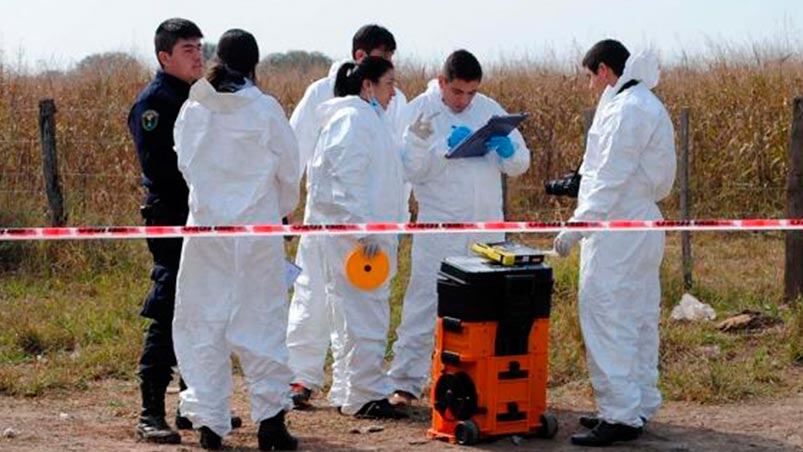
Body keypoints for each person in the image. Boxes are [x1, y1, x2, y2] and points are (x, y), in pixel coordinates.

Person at [172, 29, 300, 450]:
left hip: (206, 231)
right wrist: (278, 209)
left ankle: (210, 423)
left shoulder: (195, 108)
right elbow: (289, 173)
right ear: (254, 66)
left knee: (204, 323)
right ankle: (271, 425)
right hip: (256, 233)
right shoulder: (265, 110)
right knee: (261, 322)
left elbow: (186, 166)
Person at [386, 49, 531, 407]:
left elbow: (519, 165)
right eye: (457, 92)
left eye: (471, 93)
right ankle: (406, 380)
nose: (465, 100)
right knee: (424, 301)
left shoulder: (490, 108)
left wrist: (507, 149)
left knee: (487, 307)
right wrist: (437, 150)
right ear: (442, 82)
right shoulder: (418, 110)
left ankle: (482, 379)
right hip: (440, 227)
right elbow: (408, 171)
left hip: (486, 228)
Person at [553, 40, 676, 447]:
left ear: (605, 70)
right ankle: (635, 403)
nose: (591, 86)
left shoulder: (626, 110)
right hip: (639, 224)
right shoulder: (643, 102)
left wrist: (578, 224)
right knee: (637, 315)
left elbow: (608, 175)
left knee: (606, 313)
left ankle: (620, 414)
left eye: (591, 77)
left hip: (617, 228)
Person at [285, 24, 408, 409]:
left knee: (347, 312)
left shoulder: (360, 118)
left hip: (358, 234)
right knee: (363, 312)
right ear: (368, 85)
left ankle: (349, 389)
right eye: (388, 84)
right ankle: (365, 393)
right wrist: (362, 230)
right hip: (356, 238)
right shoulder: (354, 120)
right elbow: (344, 181)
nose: (393, 93)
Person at [128, 18, 215, 444]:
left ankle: (191, 405)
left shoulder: (203, 97)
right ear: (165, 57)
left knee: (201, 310)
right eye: (187, 49)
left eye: (200, 46)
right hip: (173, 216)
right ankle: (149, 411)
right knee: (168, 308)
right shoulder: (156, 102)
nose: (198, 54)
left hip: (204, 217)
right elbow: (160, 168)